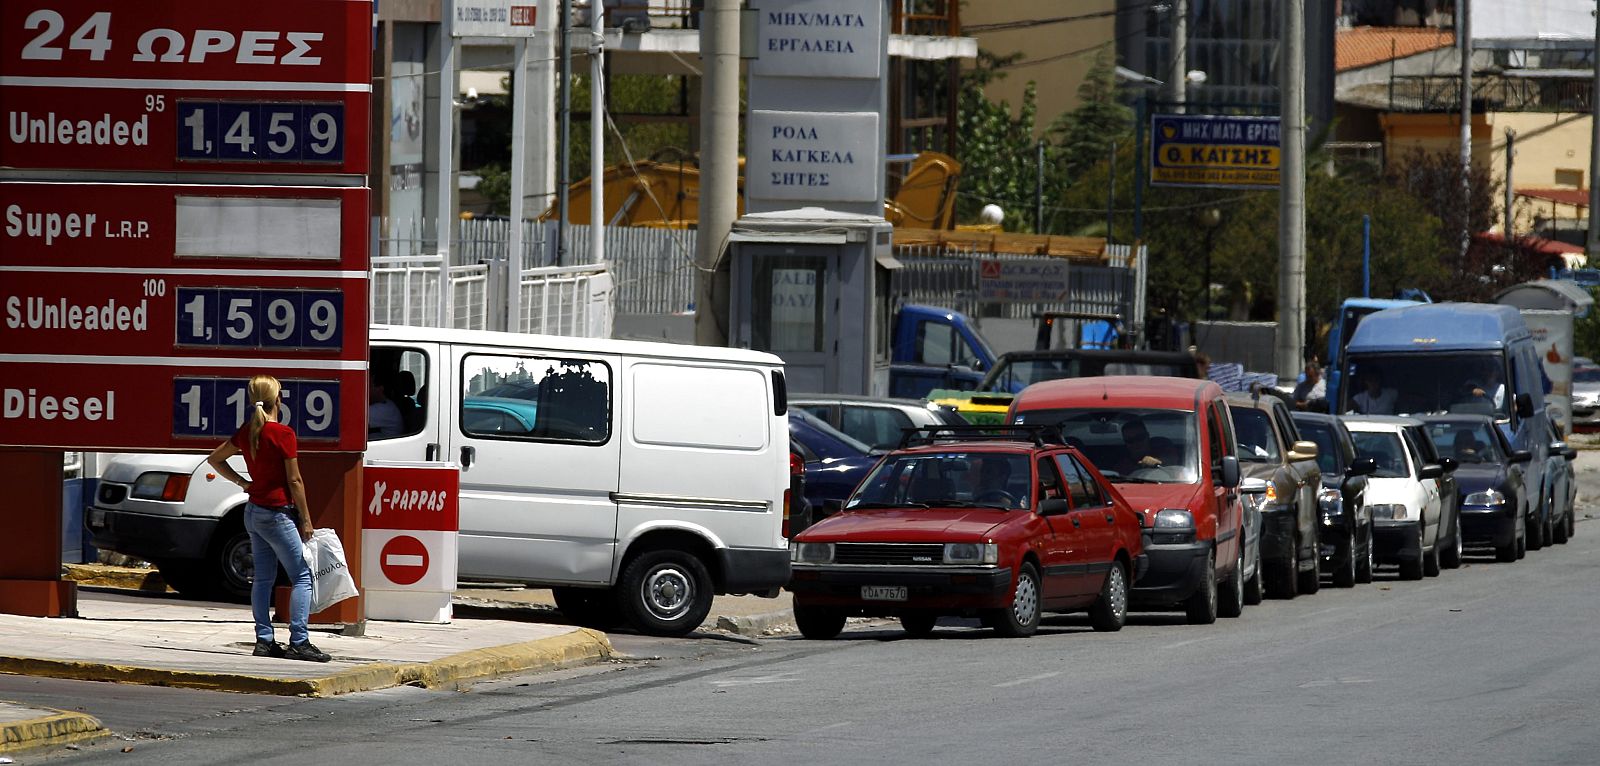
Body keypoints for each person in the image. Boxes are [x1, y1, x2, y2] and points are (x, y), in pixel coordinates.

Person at [206, 375, 332, 663]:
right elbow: (295, 480)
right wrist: (306, 519)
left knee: (263, 579)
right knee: (302, 576)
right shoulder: (283, 434)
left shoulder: (248, 431)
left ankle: (264, 639)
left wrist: (243, 483)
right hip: (277, 513)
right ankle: (299, 641)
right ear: (278, 399)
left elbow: (215, 459)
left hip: (254, 511)